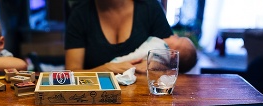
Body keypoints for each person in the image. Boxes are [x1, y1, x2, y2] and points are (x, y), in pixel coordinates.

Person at [65, 0, 197, 74]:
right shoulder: (80, 14)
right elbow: (71, 73)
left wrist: (153, 65)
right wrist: (106, 69)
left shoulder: (150, 8)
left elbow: (173, 61)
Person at [110, 35, 198, 73]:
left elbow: (141, 54)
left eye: (178, 38)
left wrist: (117, 62)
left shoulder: (160, 48)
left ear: (172, 53)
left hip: (119, 63)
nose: (174, 35)